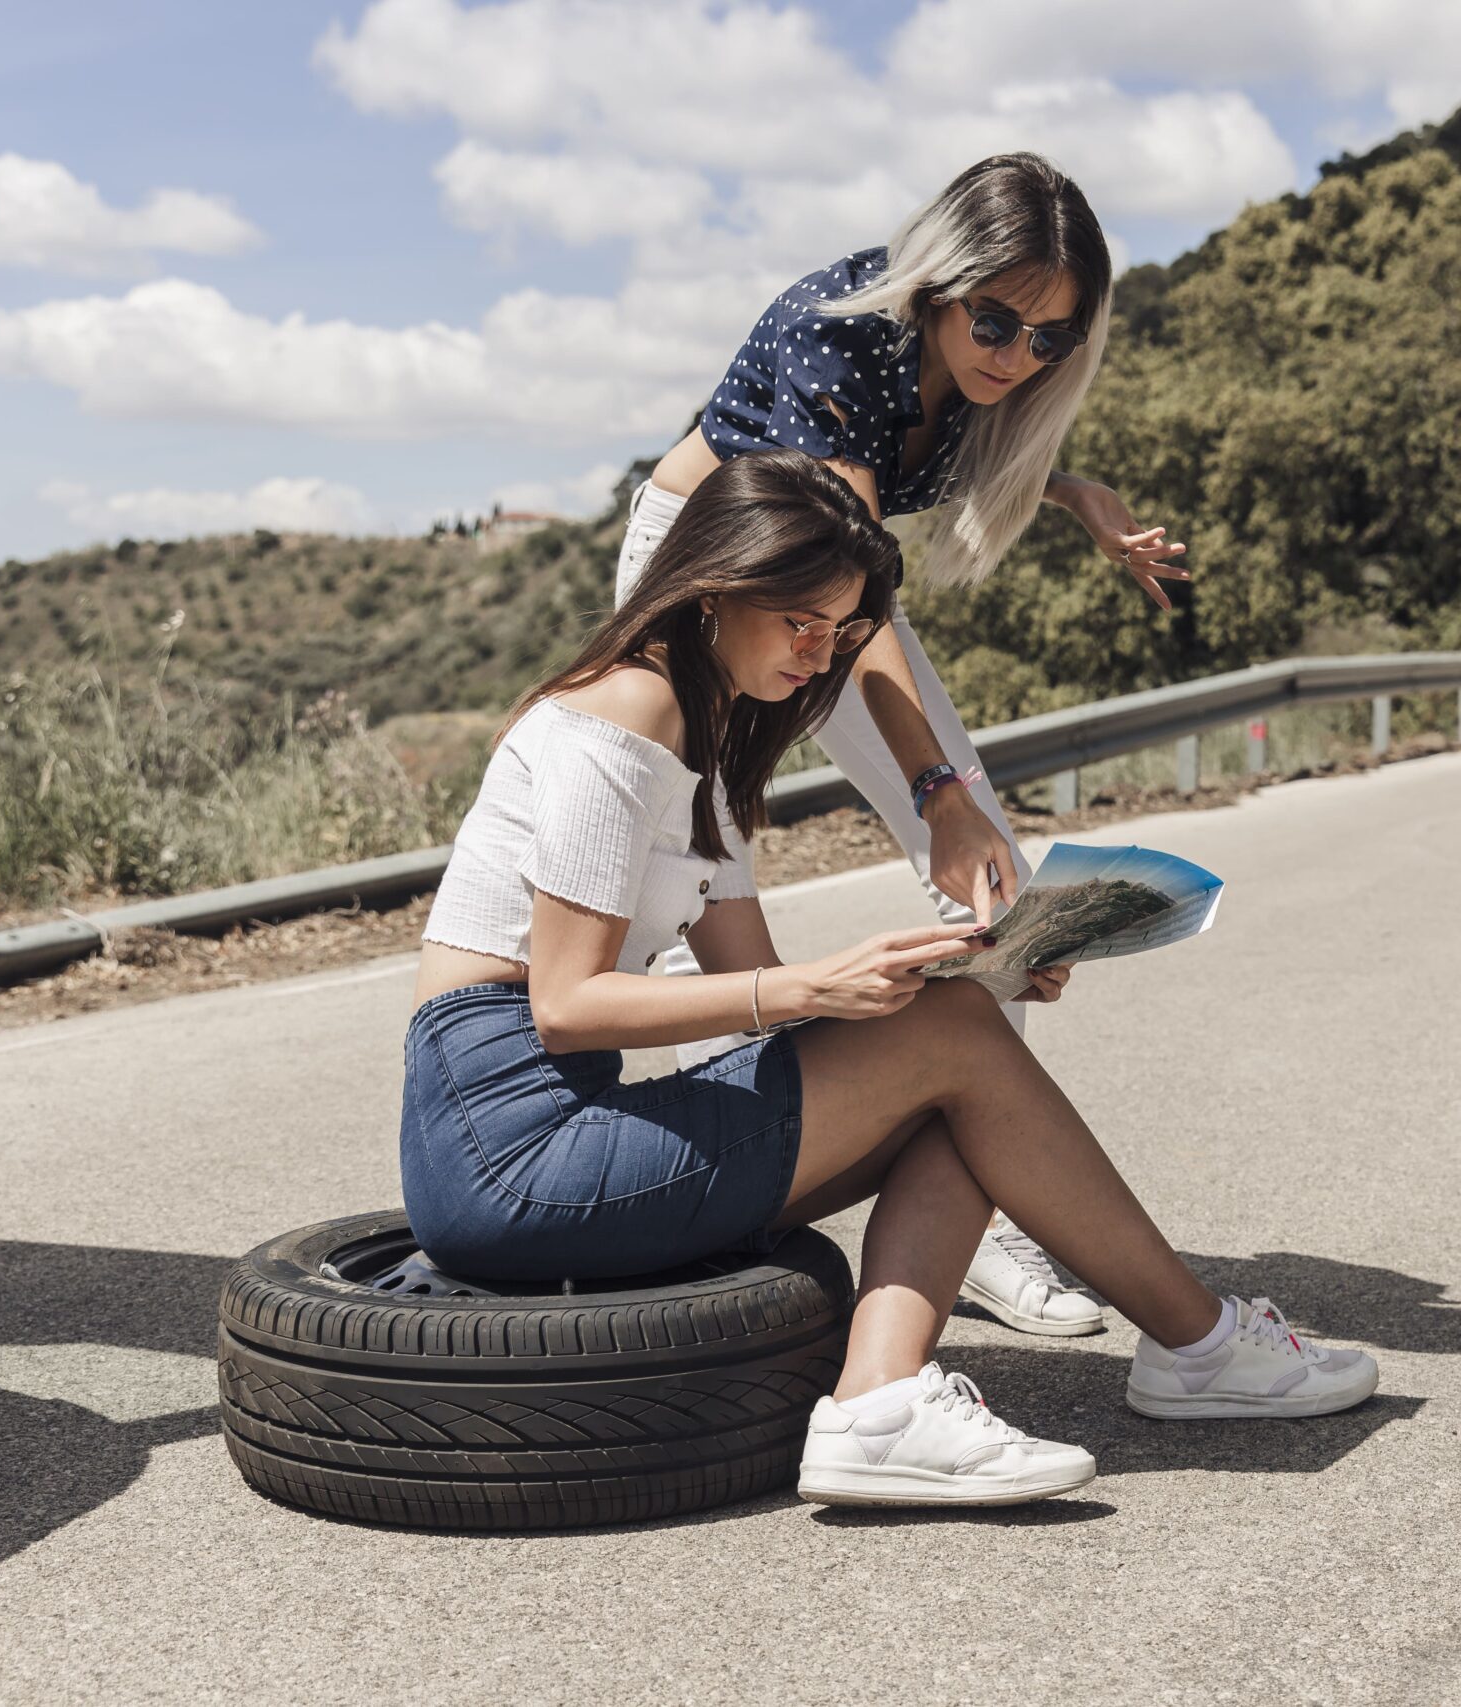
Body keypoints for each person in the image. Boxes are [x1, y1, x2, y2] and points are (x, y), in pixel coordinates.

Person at [409, 452, 1377, 1509]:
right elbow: (565, 1006)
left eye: (840, 631)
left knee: (958, 1069)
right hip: (508, 1154)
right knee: (957, 1040)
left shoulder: (702, 739)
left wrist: (961, 971)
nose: (818, 656)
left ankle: (880, 1403)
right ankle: (1200, 1346)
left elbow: (752, 991)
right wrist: (821, 990)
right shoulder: (624, 712)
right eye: (800, 622)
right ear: (716, 586)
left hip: (564, 1138)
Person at [613, 152, 1185, 1339]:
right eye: (995, 322)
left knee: (989, 879)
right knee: (698, 884)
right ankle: (715, 1188)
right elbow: (852, 611)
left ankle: (977, 1196)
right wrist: (936, 787)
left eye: (1050, 339)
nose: (1016, 357)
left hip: (837, 580)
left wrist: (1076, 493)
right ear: (936, 284)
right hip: (708, 560)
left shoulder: (990, 369)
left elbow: (913, 508)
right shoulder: (837, 334)